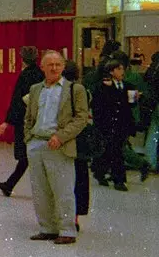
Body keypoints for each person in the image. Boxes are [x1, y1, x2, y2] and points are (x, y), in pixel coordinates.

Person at [21, 50, 91, 245]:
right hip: (36, 144)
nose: (53, 68)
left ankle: (67, 230)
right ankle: (47, 228)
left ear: (63, 67)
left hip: (60, 146)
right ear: (42, 67)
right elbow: (28, 116)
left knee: (63, 189)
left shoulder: (74, 90)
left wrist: (60, 137)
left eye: (57, 65)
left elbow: (81, 118)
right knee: (40, 190)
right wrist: (29, 137)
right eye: (49, 65)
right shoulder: (35, 89)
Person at [0, 46, 44, 197]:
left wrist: (7, 121)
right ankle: (9, 184)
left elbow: (17, 100)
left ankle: (10, 184)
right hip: (38, 119)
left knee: (26, 155)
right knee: (29, 156)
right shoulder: (41, 75)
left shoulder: (25, 76)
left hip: (24, 120)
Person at [90, 60, 138, 191]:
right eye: (119, 69)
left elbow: (131, 105)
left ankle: (106, 174)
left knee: (115, 150)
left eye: (123, 69)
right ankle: (116, 179)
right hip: (107, 124)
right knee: (113, 151)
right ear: (112, 71)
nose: (122, 72)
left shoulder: (128, 86)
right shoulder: (102, 86)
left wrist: (135, 98)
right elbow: (98, 105)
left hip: (122, 124)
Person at [62, 61, 93, 232]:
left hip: (64, 139)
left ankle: (63, 215)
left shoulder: (61, 91)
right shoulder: (83, 91)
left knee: (63, 179)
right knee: (80, 178)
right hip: (79, 141)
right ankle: (75, 217)